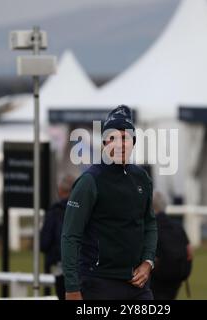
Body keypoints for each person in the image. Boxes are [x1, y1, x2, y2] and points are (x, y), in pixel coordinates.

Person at [61, 105, 157, 300]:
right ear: (105, 143)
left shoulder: (142, 178)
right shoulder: (89, 181)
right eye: (113, 138)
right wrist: (72, 287)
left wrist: (148, 262)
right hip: (98, 283)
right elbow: (70, 236)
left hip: (137, 284)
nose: (120, 144)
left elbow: (150, 223)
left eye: (125, 138)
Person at [150, 191, 193, 300]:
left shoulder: (149, 227)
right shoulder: (177, 227)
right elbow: (189, 251)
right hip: (177, 278)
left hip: (156, 280)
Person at [40, 174, 76, 299]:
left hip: (60, 265)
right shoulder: (85, 209)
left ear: (60, 190)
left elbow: (44, 243)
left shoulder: (54, 212)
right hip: (82, 265)